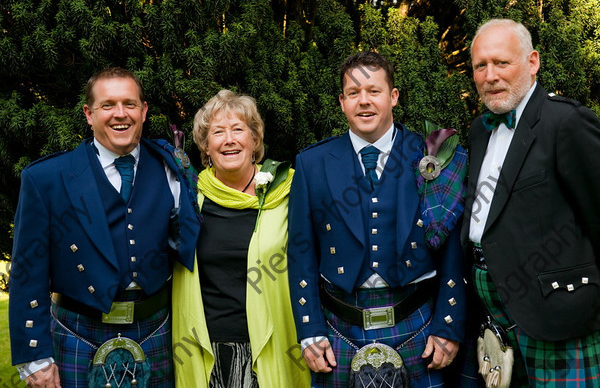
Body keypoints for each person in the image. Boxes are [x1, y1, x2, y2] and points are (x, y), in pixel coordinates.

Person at [8, 67, 200, 387]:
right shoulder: (47, 179)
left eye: (129, 104)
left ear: (144, 110)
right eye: (108, 105)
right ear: (89, 114)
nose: (120, 114)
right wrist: (34, 358)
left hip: (156, 330)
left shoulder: (173, 166)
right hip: (77, 333)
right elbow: (28, 272)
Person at [287, 51, 468, 387]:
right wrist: (310, 329)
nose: (364, 102)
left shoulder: (433, 155)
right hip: (338, 328)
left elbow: (452, 249)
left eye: (374, 91)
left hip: (419, 325)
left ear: (393, 96)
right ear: (342, 102)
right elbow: (300, 253)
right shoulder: (313, 163)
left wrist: (447, 324)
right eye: (354, 94)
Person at [462, 18, 600, 386]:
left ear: (533, 62)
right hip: (493, 313)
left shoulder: (566, 122)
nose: (490, 75)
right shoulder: (479, 130)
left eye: (502, 63)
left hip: (557, 315)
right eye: (480, 66)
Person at [171, 89, 311, 387]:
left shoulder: (289, 190)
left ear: (255, 140)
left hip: (277, 345)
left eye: (238, 129)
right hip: (208, 352)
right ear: (205, 147)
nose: (229, 139)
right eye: (218, 132)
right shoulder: (187, 198)